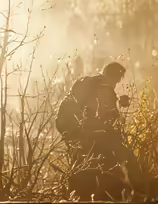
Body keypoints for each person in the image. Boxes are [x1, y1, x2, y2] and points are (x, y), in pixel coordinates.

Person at [56, 62, 145, 199]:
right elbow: (106, 117)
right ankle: (139, 192)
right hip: (85, 133)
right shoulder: (104, 87)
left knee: (84, 165)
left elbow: (95, 113)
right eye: (117, 80)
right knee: (119, 157)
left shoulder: (90, 83)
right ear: (114, 77)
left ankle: (76, 195)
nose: (116, 84)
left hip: (69, 128)